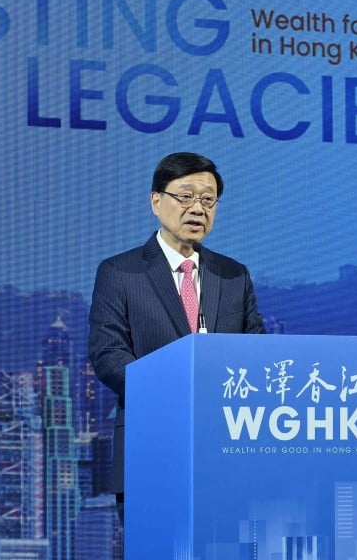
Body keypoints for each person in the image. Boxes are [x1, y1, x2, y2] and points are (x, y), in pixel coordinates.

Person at [87, 152, 265, 523]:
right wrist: (178, 389)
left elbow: (257, 353)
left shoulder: (234, 276)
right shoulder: (121, 271)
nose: (197, 208)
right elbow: (109, 356)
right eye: (185, 196)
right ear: (156, 201)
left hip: (225, 452)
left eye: (208, 199)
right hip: (151, 447)